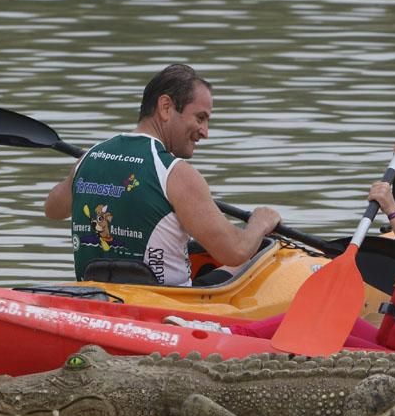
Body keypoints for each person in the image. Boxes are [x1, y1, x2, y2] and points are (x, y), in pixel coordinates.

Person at [215, 136, 395, 355]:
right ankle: (232, 331)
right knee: (318, 314)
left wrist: (390, 210)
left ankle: (231, 341)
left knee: (327, 331)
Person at [43, 63, 282, 286]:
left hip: (97, 298)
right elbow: (235, 251)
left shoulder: (89, 158)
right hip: (166, 309)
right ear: (166, 107)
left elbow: (52, 210)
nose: (205, 132)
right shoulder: (176, 173)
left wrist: (88, 171)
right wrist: (260, 222)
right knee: (262, 255)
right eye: (200, 118)